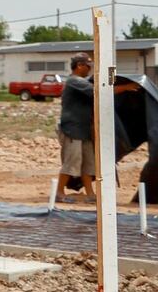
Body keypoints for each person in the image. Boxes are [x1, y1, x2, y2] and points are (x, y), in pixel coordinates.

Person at [56, 52, 138, 202]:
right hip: (73, 130)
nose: (89, 69)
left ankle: (90, 194)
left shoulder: (83, 82)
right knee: (72, 162)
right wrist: (126, 87)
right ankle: (59, 193)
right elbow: (100, 91)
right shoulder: (74, 81)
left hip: (84, 130)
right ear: (79, 66)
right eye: (88, 66)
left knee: (89, 163)